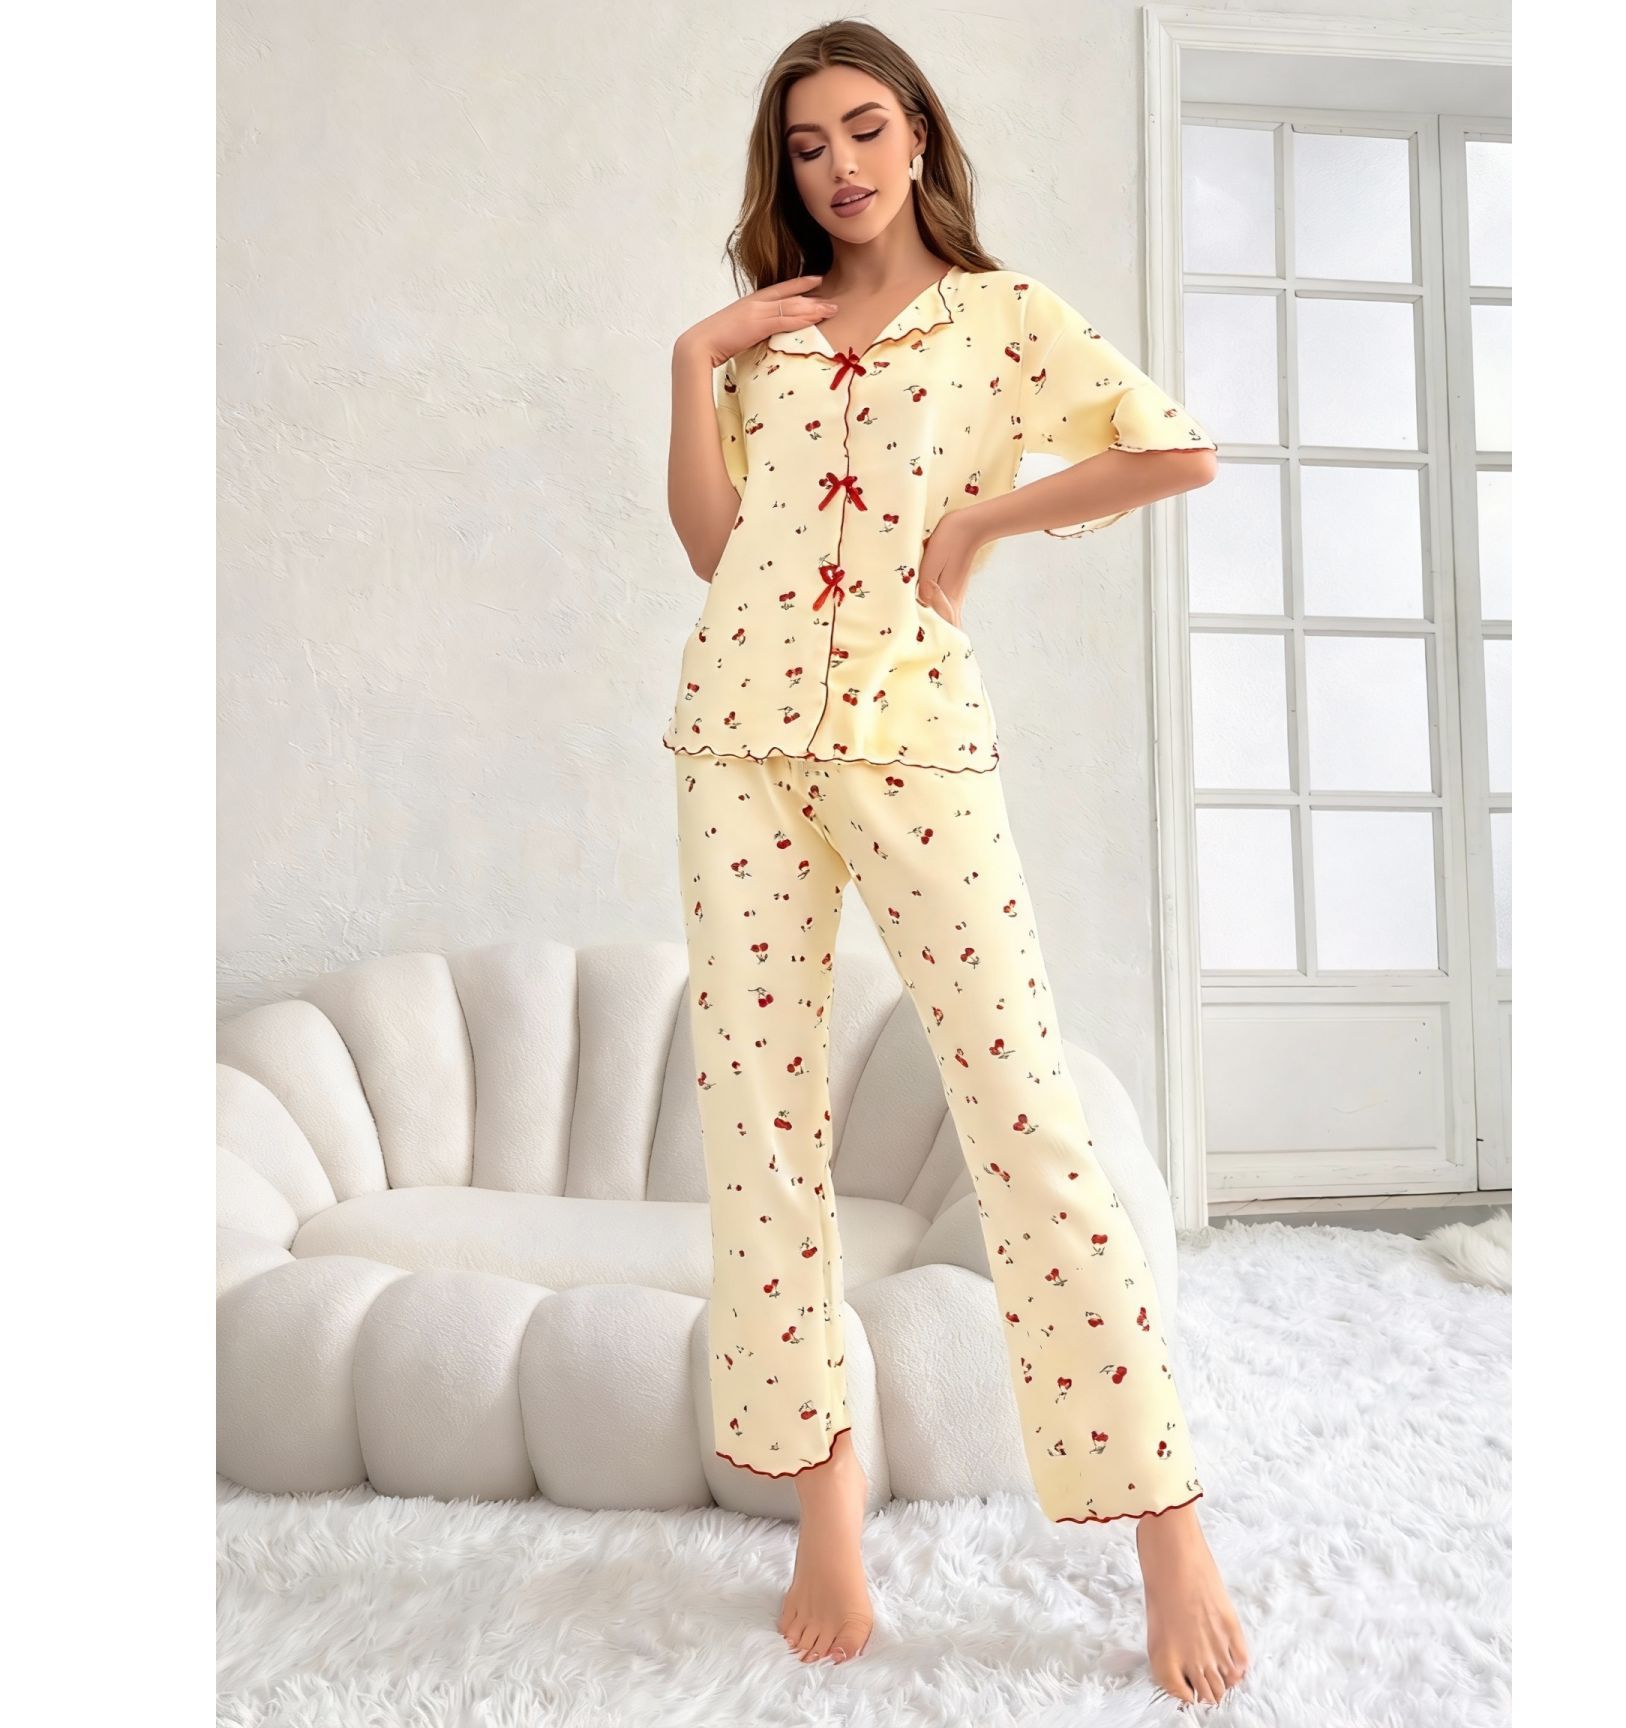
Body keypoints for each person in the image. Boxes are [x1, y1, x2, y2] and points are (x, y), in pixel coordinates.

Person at [663, 19, 1250, 1707]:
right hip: (735, 747)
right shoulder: (764, 336)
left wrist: (983, 518)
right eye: (806, 145)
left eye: (865, 129)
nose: (839, 166)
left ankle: (1166, 1523)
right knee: (760, 1128)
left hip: (913, 740)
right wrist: (695, 356)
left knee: (1025, 1117)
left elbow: (1174, 447)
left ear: (918, 134)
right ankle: (824, 1509)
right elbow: (716, 552)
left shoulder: (1000, 319)